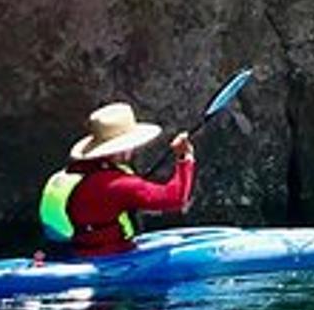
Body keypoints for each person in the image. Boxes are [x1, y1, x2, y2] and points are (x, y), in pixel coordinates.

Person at [39, 103, 196, 257]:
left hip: (71, 251)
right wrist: (184, 158)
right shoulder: (119, 184)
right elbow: (175, 198)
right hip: (110, 256)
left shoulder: (74, 172)